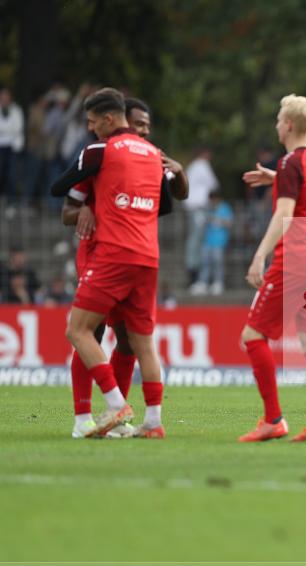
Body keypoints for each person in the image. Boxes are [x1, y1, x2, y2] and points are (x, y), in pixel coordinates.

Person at [60, 96, 188, 439]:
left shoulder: (141, 160)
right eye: (140, 124)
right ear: (124, 121)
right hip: (104, 255)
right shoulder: (102, 157)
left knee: (127, 343)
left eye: (148, 125)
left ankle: (117, 410)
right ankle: (83, 416)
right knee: (95, 333)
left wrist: (177, 173)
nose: (145, 130)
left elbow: (167, 205)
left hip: (124, 256)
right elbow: (66, 211)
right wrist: (86, 211)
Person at [238, 94, 306, 443]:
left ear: (289, 125)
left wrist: (259, 255)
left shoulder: (291, 162)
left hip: (295, 258)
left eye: (280, 119)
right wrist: (276, 176)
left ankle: (273, 419)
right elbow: (305, 191)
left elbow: (285, 214)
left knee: (253, 336)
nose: (277, 124)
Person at [183, 147, 219, 285]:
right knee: (197, 239)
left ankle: (194, 269)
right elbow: (214, 184)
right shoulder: (202, 165)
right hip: (198, 207)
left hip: (193, 206)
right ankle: (193, 268)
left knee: (195, 238)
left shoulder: (193, 166)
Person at [191, 192, 233, 296]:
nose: (212, 202)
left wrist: (219, 221)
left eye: (213, 200)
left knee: (217, 263)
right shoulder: (208, 208)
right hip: (207, 241)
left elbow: (230, 223)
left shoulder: (225, 208)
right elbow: (201, 221)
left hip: (219, 242)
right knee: (205, 263)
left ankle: (218, 283)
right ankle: (203, 283)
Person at [0, 86, 24, 201]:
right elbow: (12, 129)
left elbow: (18, 128)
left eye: (6, 95)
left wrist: (4, 130)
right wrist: (9, 130)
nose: (4, 98)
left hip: (12, 148)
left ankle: (11, 203)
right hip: (1, 147)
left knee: (12, 176)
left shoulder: (16, 110)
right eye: (2, 95)